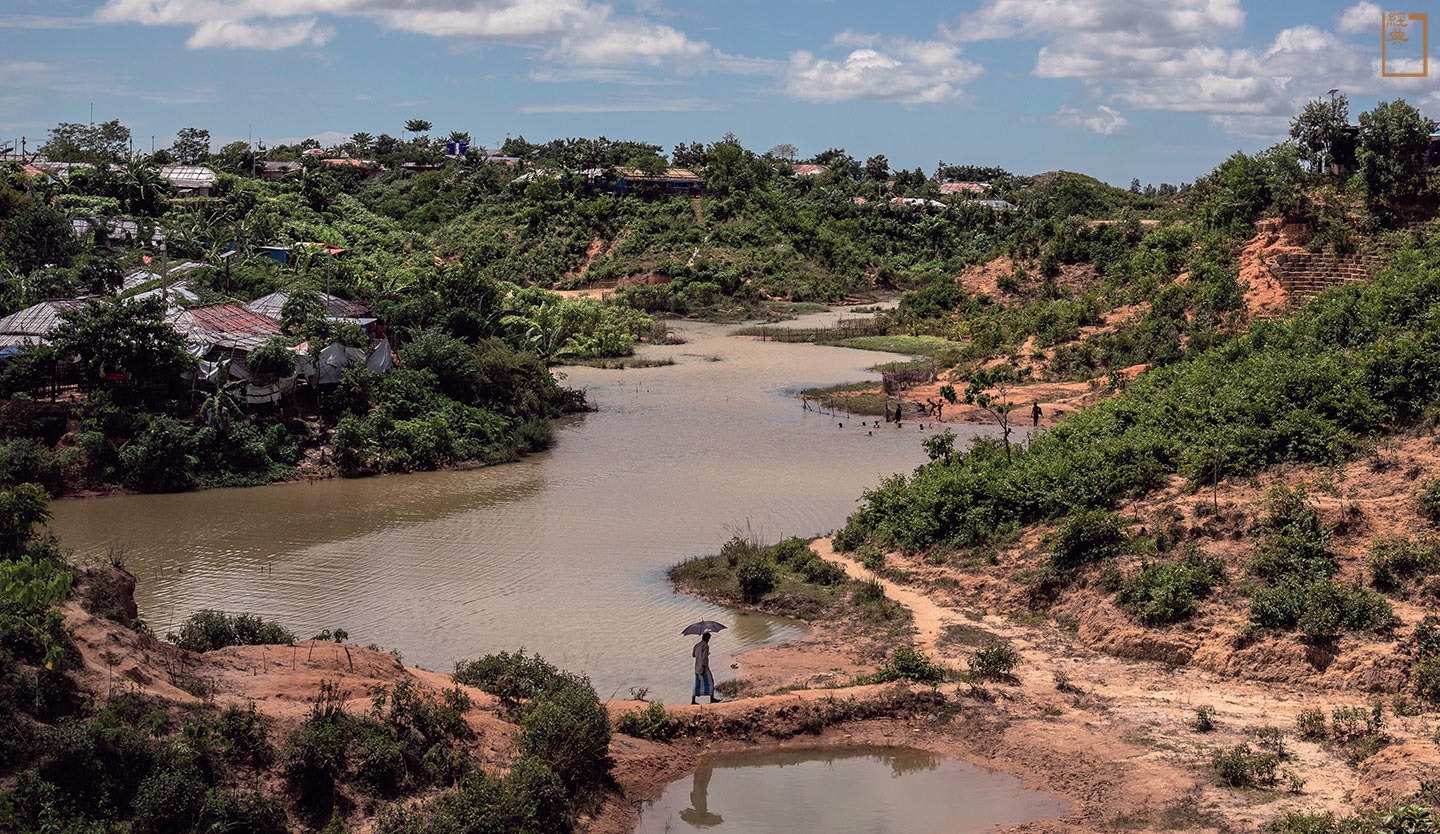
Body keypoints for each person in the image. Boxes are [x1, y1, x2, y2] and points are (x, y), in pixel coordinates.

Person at [692, 632, 721, 704]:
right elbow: (704, 658)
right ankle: (712, 698)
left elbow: (693, 655)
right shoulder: (705, 646)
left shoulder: (697, 645)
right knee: (710, 682)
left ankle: (693, 700)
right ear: (707, 638)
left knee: (697, 684)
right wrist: (704, 668)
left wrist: (700, 654)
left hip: (696, 667)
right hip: (703, 667)